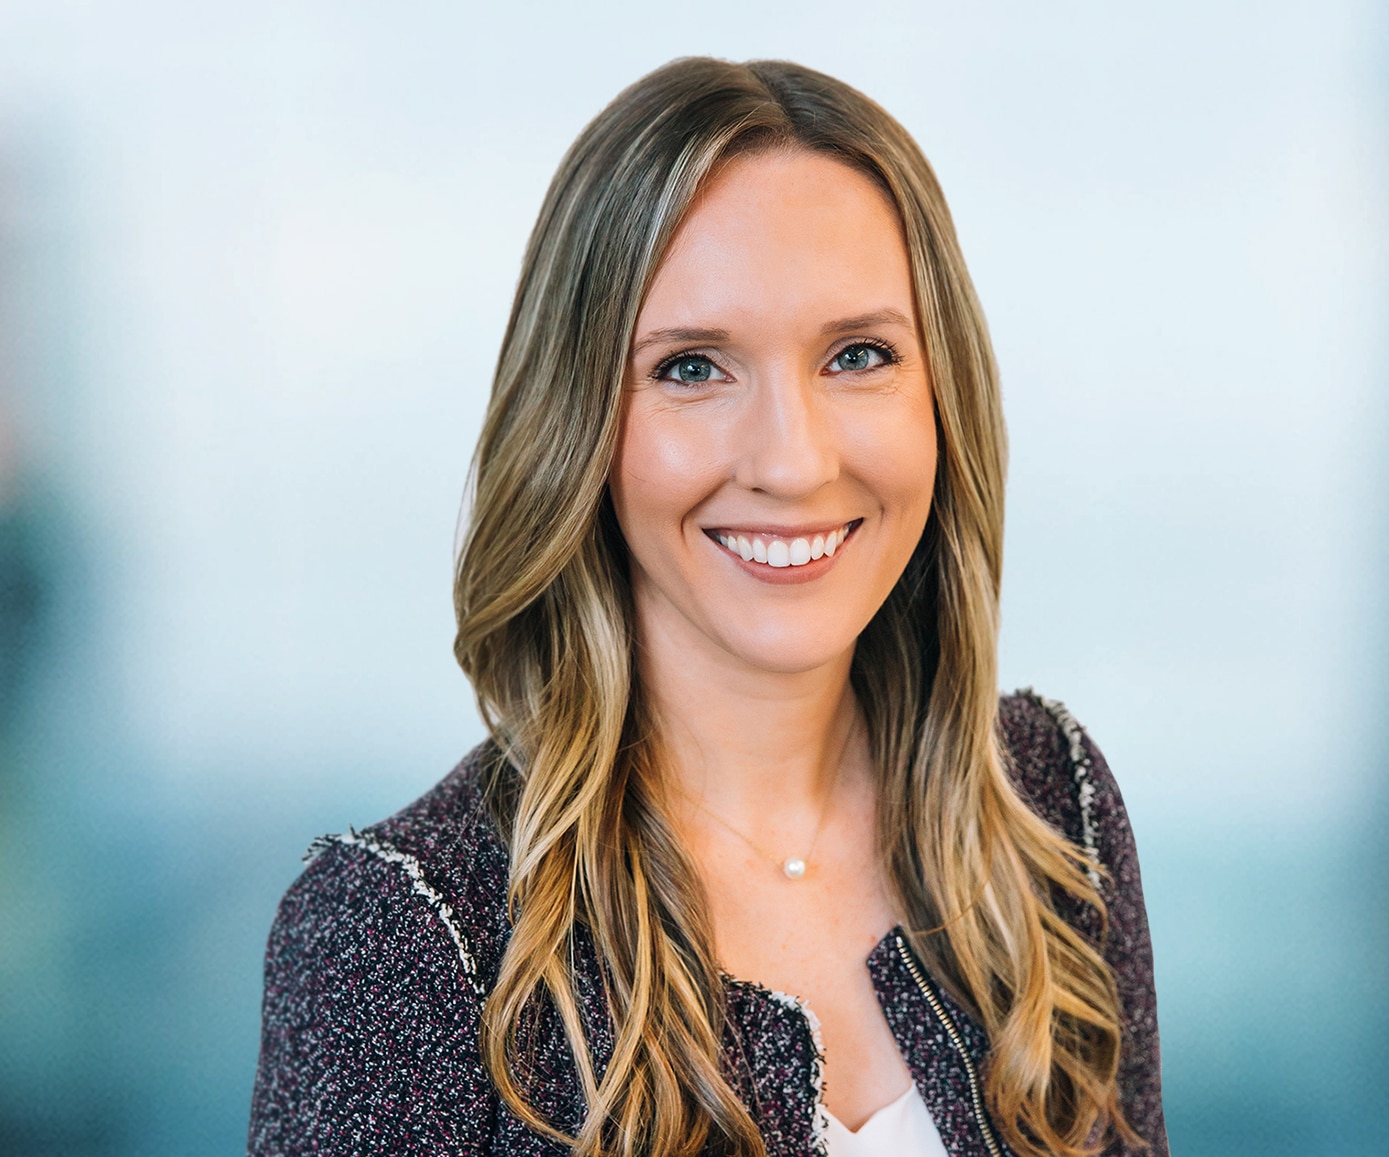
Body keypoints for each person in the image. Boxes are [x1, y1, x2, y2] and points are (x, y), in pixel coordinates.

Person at [248, 57, 1168, 1157]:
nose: (790, 459)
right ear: (578, 423)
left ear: (943, 394)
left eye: (859, 354)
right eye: (692, 367)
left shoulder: (1048, 808)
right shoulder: (396, 932)